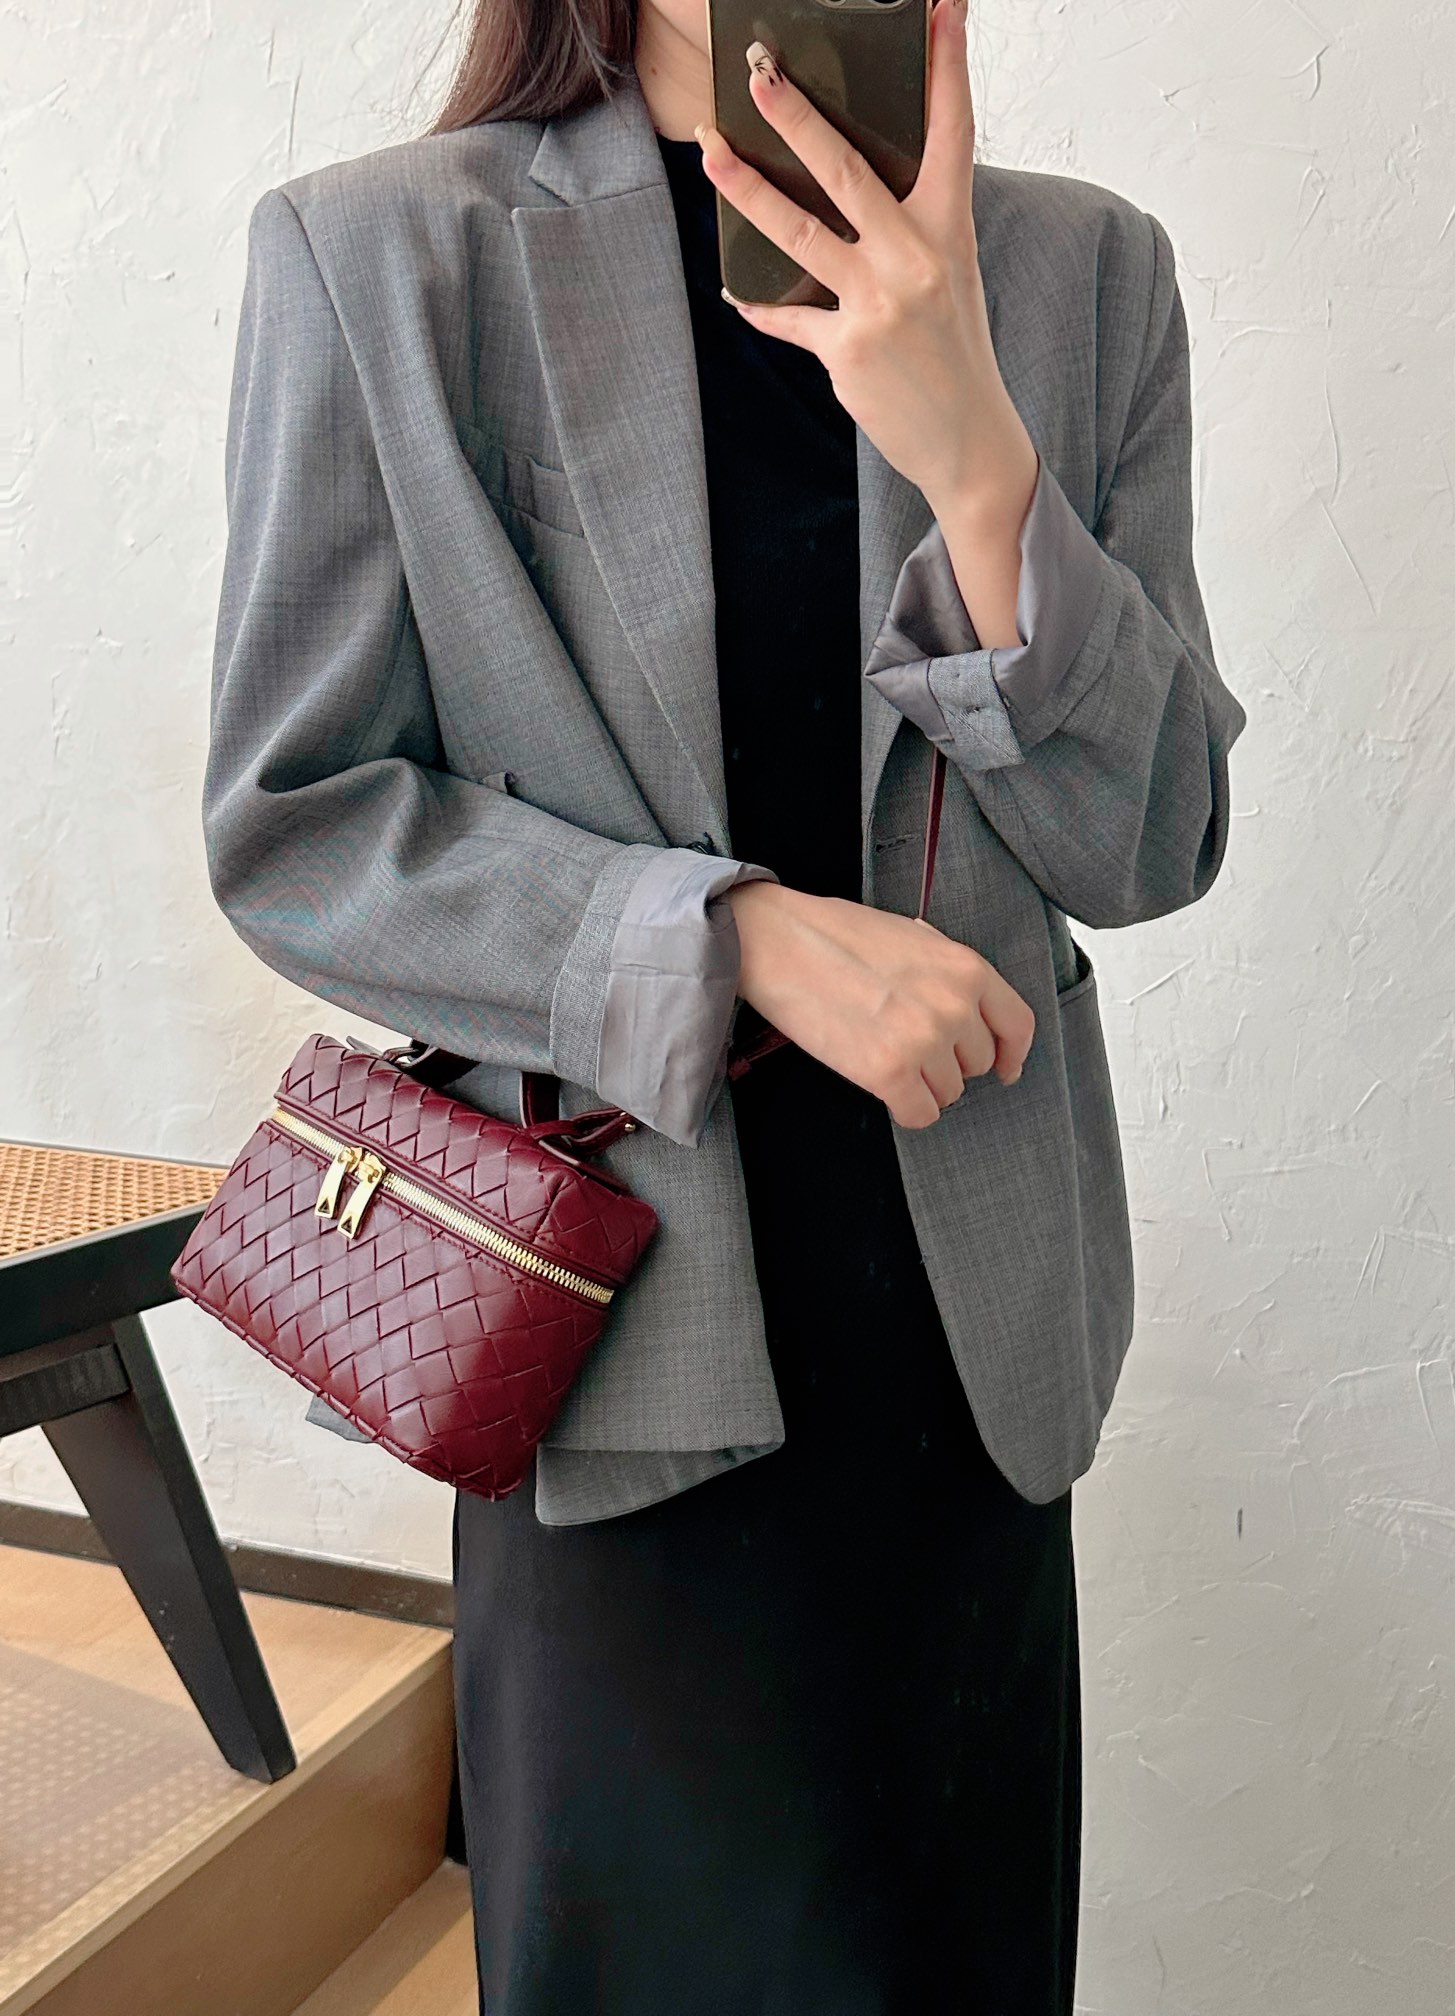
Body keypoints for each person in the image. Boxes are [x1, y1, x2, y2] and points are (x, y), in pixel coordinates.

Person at [203, 0, 1247, 2006]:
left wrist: (977, 461)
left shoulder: (1083, 273)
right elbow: (303, 824)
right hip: (609, 1341)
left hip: (974, 1367)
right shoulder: (384, 255)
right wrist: (733, 936)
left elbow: (1156, 838)